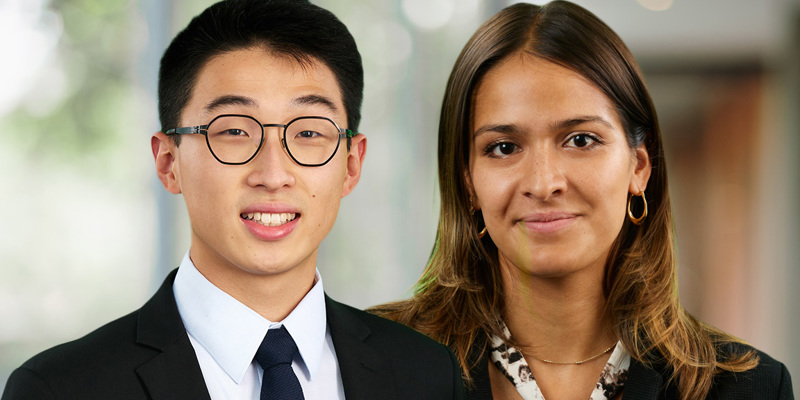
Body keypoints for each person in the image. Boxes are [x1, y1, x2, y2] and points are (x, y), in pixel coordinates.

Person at [1, 0, 463, 399]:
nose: (274, 174)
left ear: (352, 164)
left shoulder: (426, 376)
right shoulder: (62, 390)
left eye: (308, 132)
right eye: (235, 131)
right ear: (168, 162)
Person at [372, 1, 793, 399]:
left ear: (639, 167)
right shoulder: (368, 361)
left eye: (580, 140)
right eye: (503, 147)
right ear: (468, 182)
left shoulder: (744, 387)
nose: (543, 183)